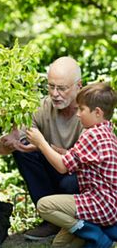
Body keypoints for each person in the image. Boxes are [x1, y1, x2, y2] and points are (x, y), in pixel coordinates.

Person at [0, 56, 83, 240]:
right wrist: (8, 143)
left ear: (79, 86)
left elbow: (91, 163)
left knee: (70, 181)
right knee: (23, 149)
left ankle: (76, 222)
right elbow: (1, 150)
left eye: (62, 88)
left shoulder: (90, 112)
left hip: (81, 180)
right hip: (55, 173)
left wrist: (44, 147)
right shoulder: (42, 107)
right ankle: (51, 221)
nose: (55, 94)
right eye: (51, 86)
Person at [26, 82, 117, 248]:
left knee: (44, 205)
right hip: (108, 204)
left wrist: (41, 143)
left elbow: (62, 167)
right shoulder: (106, 132)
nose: (78, 115)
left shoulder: (92, 135)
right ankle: (90, 233)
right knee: (59, 244)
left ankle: (95, 235)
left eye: (81, 109)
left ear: (97, 112)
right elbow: (73, 157)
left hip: (99, 203)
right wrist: (48, 147)